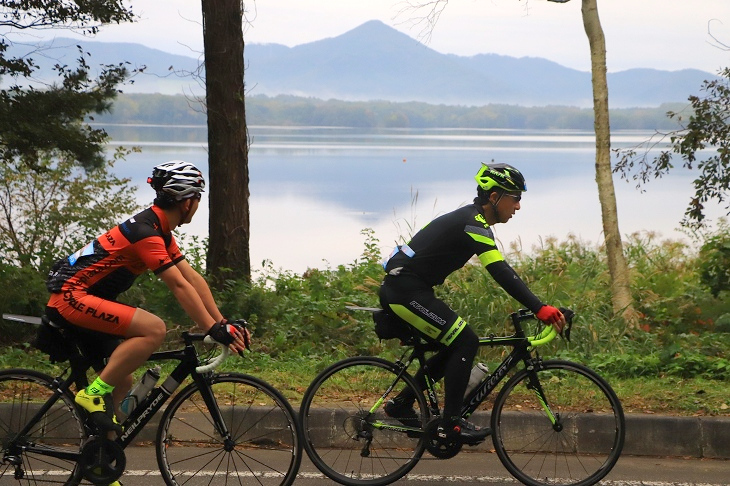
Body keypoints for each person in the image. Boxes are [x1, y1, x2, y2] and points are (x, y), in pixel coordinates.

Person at [45, 161, 250, 484]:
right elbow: (178, 286)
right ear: (187, 201)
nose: (197, 204)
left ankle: (102, 467)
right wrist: (211, 329)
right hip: (71, 297)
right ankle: (92, 393)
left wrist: (221, 322)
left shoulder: (159, 229)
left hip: (83, 300)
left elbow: (192, 278)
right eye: (198, 197)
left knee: (123, 381)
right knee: (153, 328)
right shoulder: (145, 232)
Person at [379, 162, 566, 445]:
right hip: (404, 291)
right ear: (494, 197)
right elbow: (500, 270)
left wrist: (539, 306)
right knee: (466, 340)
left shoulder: (472, 221)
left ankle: (402, 404)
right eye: (515, 198)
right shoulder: (472, 223)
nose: (518, 206)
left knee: (455, 343)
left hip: (411, 288)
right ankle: (451, 424)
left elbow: (500, 269)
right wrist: (540, 307)